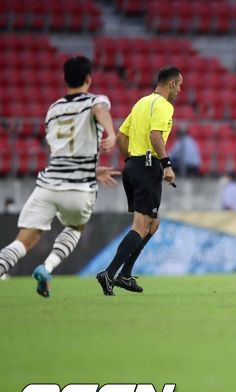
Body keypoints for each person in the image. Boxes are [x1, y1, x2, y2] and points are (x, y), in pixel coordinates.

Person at [0, 56, 119, 297]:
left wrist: (92, 169)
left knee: (23, 240)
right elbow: (98, 109)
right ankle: (47, 267)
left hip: (48, 185)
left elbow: (65, 153)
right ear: (89, 79)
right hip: (78, 189)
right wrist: (111, 132)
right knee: (75, 227)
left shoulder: (53, 110)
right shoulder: (96, 100)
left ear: (65, 79)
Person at [96, 65, 182, 296]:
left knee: (152, 224)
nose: (180, 91)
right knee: (142, 225)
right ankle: (110, 273)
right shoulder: (164, 105)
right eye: (179, 85)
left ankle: (124, 274)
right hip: (148, 165)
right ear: (171, 84)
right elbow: (156, 136)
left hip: (133, 165)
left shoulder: (141, 103)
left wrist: (131, 162)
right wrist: (166, 165)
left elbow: (122, 136)